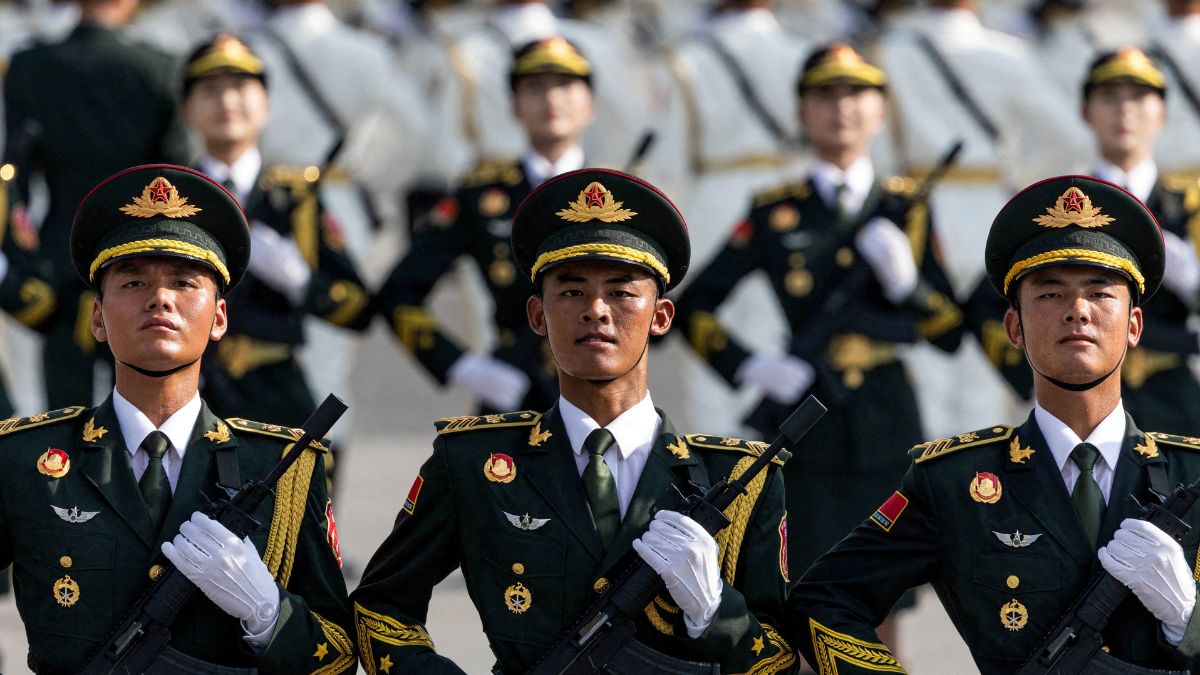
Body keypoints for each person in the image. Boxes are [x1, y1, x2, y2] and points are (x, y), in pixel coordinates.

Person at [351, 168, 795, 673]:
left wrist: (713, 611)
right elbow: (379, 606)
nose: (597, 311)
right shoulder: (471, 464)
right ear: (537, 316)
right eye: (571, 292)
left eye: (622, 292)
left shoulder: (740, 479)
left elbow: (779, 656)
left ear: (661, 317)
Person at [787, 174, 1200, 673]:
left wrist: (1188, 621)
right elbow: (824, 600)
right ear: (1014, 328)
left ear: (1134, 326)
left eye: (1100, 293)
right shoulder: (955, 482)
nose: (1077, 312)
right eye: (1050, 295)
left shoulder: (1191, 478)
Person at [0, 164, 354, 672]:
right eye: (134, 281)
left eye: (185, 282)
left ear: (220, 318)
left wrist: (268, 615)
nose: (160, 297)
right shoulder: (23, 461)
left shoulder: (281, 467)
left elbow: (340, 654)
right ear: (98, 318)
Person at [675, 42, 962, 659]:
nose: (842, 109)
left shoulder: (905, 207)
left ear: (881, 112)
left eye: (858, 95)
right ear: (802, 112)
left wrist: (909, 285)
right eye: (825, 95)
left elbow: (949, 329)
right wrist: (749, 365)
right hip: (808, 427)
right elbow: (693, 307)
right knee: (803, 603)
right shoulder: (777, 213)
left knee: (883, 612)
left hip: (884, 427)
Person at [969, 47, 1200, 434]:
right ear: (1086, 111)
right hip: (1077, 403)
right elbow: (985, 302)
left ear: (1162, 112)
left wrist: (1195, 287)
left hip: (1173, 400)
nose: (1124, 111)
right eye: (1109, 97)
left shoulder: (1191, 207)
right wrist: (1033, 371)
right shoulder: (1062, 206)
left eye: (1139, 97)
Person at [375, 36, 595, 413]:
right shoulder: (482, 195)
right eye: (535, 88)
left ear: (590, 104)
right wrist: (464, 367)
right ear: (513, 106)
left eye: (565, 85)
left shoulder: (617, 196)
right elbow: (399, 291)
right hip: (514, 388)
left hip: (601, 392)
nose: (551, 100)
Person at [181, 35, 372, 439]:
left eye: (240, 88)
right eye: (211, 90)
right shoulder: (175, 195)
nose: (227, 102)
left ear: (266, 104)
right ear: (188, 110)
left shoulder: (295, 198)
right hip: (189, 389)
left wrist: (300, 281)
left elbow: (355, 308)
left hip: (277, 392)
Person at [3, 0, 191, 411]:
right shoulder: (158, 68)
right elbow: (178, 177)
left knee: (64, 415)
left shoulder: (29, 66)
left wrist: (23, 255)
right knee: (147, 400)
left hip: (60, 254)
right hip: (138, 258)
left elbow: (11, 175)